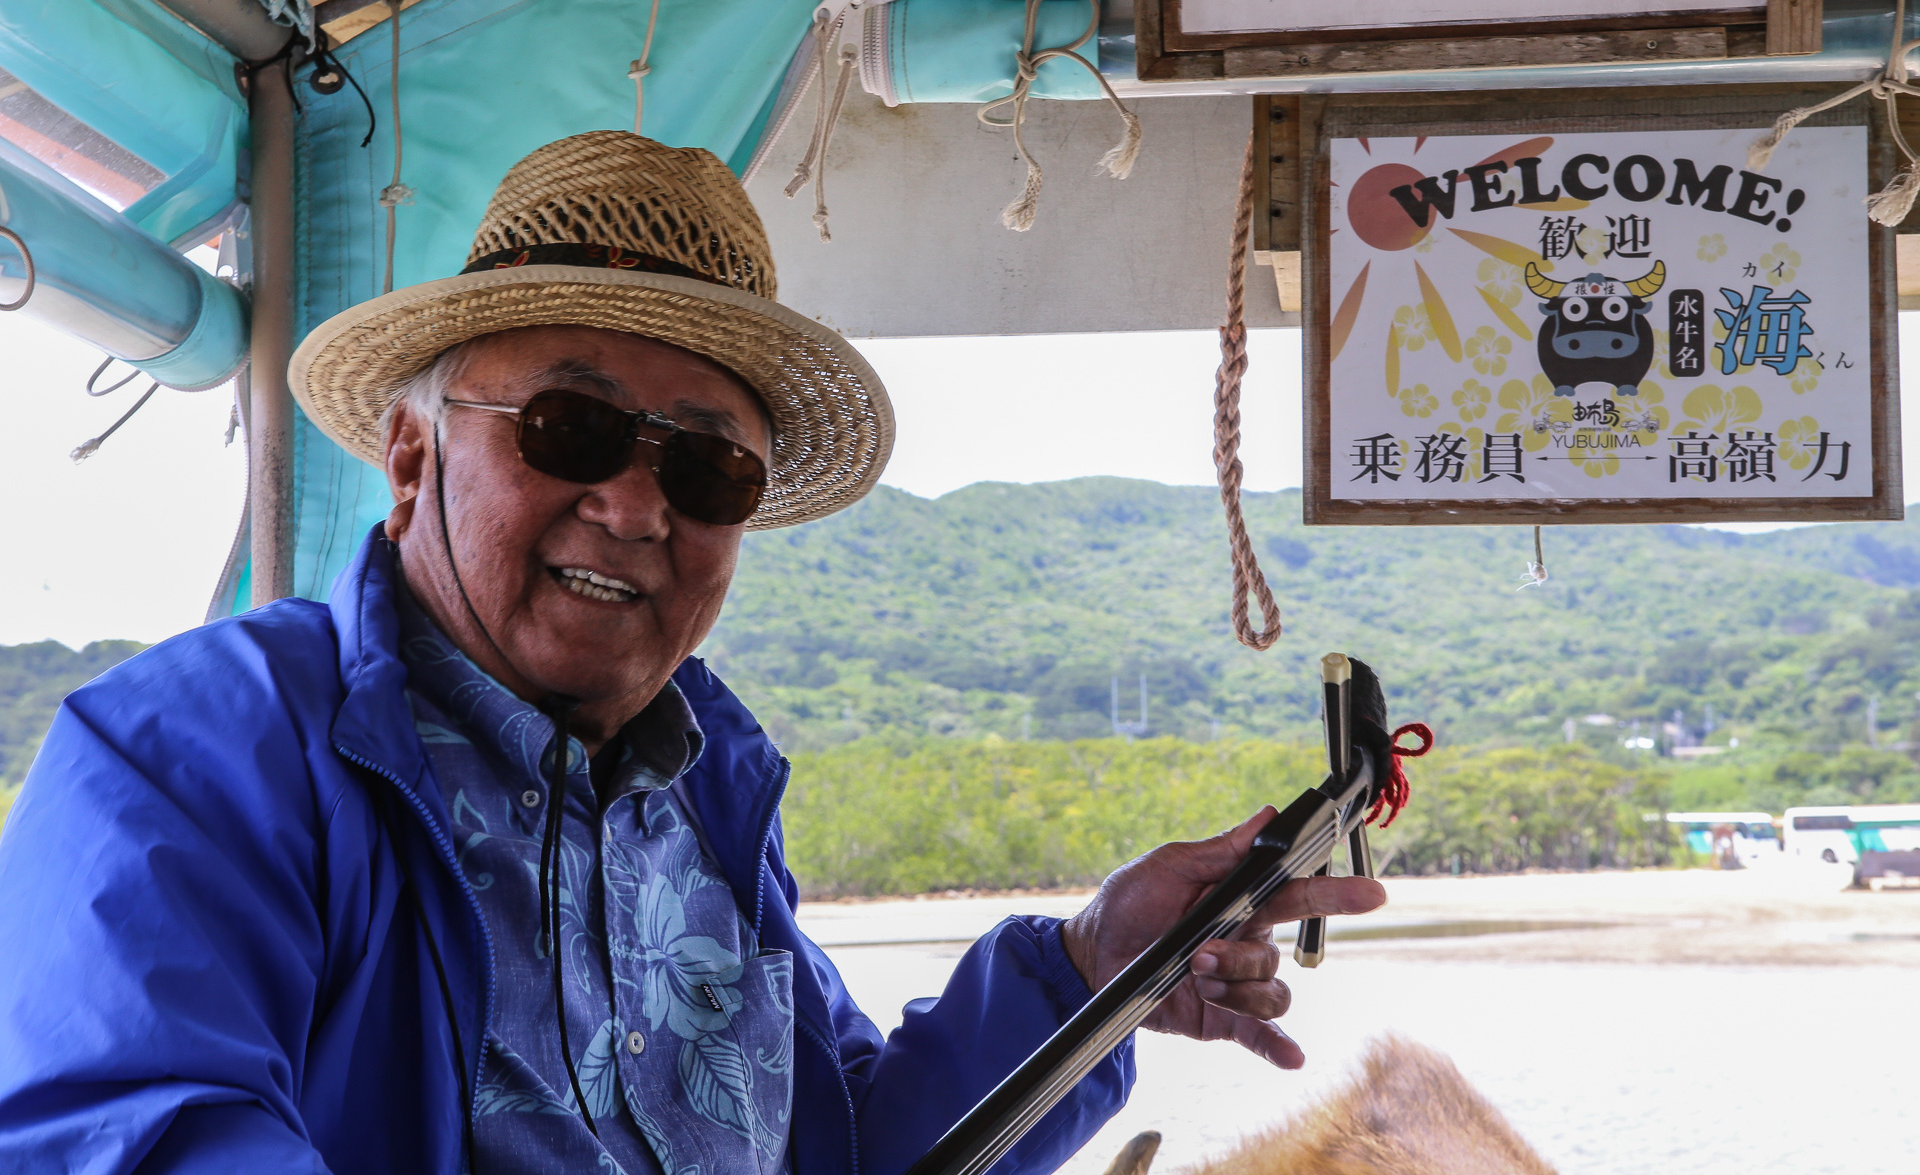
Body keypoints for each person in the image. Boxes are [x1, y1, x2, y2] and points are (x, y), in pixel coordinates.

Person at [0, 132, 1385, 1174]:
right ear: (414, 460)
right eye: (572, 431)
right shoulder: (193, 758)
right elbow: (128, 1136)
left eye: (712, 468)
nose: (637, 505)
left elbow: (840, 1146)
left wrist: (1087, 970)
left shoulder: (704, 797)